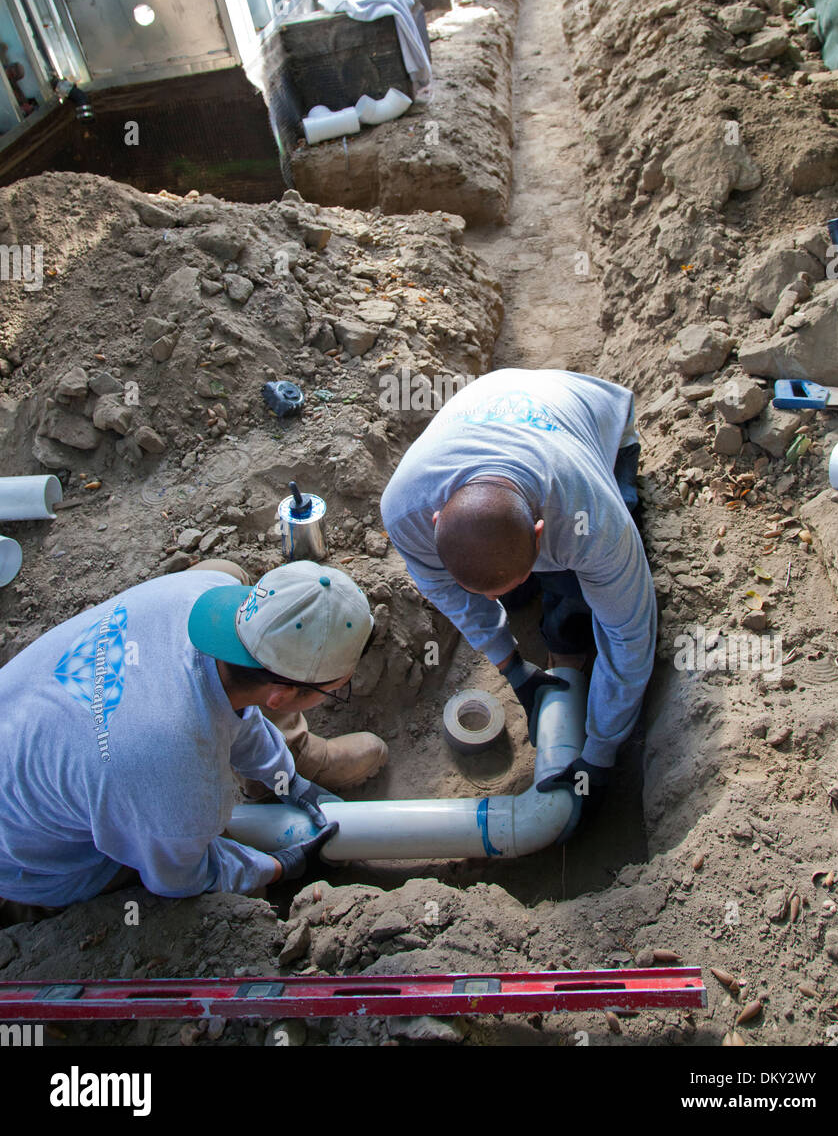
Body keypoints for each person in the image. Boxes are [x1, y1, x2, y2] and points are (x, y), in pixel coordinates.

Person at [0, 560, 378, 920]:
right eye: (333, 690)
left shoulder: (205, 591)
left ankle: (277, 779)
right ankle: (23, 914)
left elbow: (233, 707)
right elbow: (181, 878)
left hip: (26, 727)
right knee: (240, 897)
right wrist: (281, 868)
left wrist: (287, 780)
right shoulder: (178, 775)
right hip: (27, 862)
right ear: (281, 698)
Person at [380, 368, 657, 807]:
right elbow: (448, 593)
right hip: (493, 394)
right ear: (436, 522)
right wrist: (512, 666)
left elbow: (629, 635)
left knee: (577, 588)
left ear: (541, 533)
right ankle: (523, 589)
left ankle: (562, 630)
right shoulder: (405, 508)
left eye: (524, 569)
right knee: (508, 582)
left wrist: (601, 752)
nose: (490, 600)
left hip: (595, 414)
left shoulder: (595, 521)